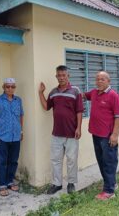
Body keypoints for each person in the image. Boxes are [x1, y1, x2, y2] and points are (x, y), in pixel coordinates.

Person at [39, 65, 83, 194]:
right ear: (56, 76)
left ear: (68, 76)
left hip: (72, 133)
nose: (61, 77)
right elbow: (47, 106)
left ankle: (71, 183)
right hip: (57, 133)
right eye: (59, 75)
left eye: (64, 75)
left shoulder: (75, 91)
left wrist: (79, 128)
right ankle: (57, 184)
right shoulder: (53, 92)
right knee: (55, 160)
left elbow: (79, 111)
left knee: (72, 160)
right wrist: (41, 93)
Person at [84, 71, 119, 200]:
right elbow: (84, 96)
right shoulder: (94, 93)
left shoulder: (113, 95)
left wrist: (115, 134)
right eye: (97, 79)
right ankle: (112, 184)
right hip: (96, 134)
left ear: (108, 81)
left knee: (109, 162)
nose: (99, 81)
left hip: (108, 136)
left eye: (102, 79)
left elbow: (118, 116)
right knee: (101, 161)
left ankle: (109, 191)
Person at [0, 78, 24, 197]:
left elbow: (21, 116)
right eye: (7, 86)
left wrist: (21, 131)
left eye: (12, 86)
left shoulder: (18, 100)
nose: (10, 89)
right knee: (2, 161)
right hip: (2, 137)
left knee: (13, 161)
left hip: (16, 136)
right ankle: (2, 185)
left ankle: (10, 181)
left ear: (15, 88)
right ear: (3, 87)